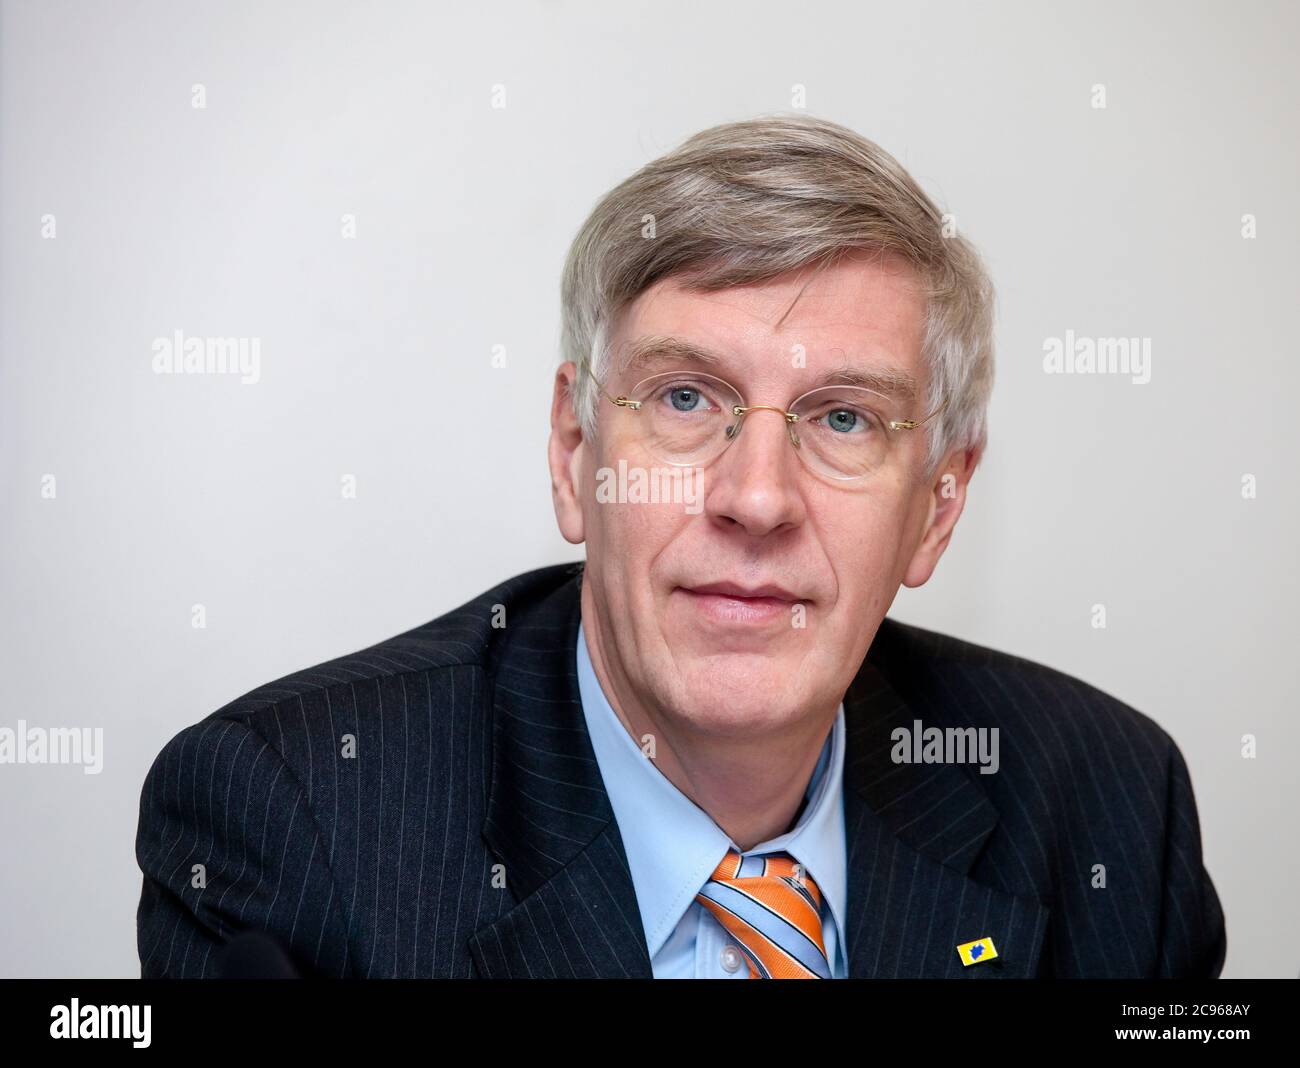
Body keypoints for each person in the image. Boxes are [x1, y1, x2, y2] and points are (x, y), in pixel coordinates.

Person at [135, 114, 1225, 979]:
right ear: (573, 452)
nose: (756, 499)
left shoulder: (1112, 810)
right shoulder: (295, 818)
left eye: (844, 417)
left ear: (937, 506)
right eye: (687, 396)